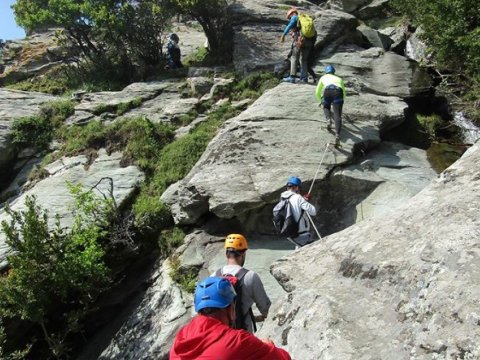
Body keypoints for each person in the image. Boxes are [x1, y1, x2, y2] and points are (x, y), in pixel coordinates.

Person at [169, 277, 291, 360]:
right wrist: (268, 346)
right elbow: (283, 358)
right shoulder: (238, 341)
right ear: (230, 309)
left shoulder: (180, 339)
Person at [212, 234, 271, 333]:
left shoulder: (214, 276)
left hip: (220, 333)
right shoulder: (251, 276)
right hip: (243, 334)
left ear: (226, 253)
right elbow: (266, 309)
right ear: (243, 253)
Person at [280, 176, 317, 248]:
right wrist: (304, 201)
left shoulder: (282, 198)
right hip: (302, 234)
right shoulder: (298, 198)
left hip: (291, 234)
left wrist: (303, 200)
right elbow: (313, 211)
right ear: (296, 187)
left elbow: (293, 206)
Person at [280, 7, 315, 83]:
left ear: (292, 14)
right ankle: (304, 78)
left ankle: (292, 77)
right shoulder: (306, 19)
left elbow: (289, 26)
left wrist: (283, 35)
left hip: (299, 40)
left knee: (294, 57)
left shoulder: (295, 17)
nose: (289, 19)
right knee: (304, 60)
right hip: (309, 41)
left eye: (289, 17)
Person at [315, 65, 346, 147]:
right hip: (338, 92)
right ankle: (337, 135)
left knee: (326, 105)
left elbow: (317, 92)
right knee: (337, 115)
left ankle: (328, 119)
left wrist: (320, 100)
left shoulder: (323, 77)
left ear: (326, 72)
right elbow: (344, 93)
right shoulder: (339, 79)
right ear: (334, 72)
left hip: (327, 90)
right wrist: (341, 102)